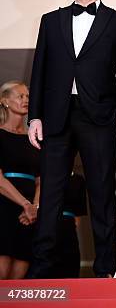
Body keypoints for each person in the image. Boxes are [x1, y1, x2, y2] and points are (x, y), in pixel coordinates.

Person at [27, 0, 116, 278]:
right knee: (50, 194)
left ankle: (105, 270)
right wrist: (35, 117)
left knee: (102, 194)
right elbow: (39, 72)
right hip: (56, 118)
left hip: (99, 119)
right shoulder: (51, 21)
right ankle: (42, 268)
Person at [0, 81, 40, 279]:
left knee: (21, 274)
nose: (26, 100)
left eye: (27, 96)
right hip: (4, 207)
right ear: (5, 101)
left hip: (29, 213)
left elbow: (42, 179)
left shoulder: (34, 138)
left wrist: (34, 207)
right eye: (20, 96)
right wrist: (25, 204)